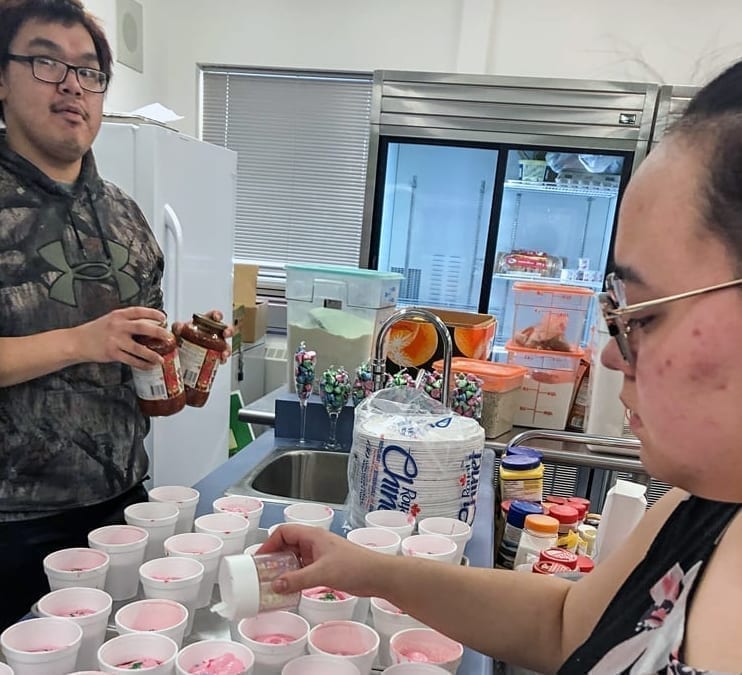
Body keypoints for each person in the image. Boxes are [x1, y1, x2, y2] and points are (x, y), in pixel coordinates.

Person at [261, 62, 742, 674]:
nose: (612, 353)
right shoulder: (703, 509)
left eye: (639, 313)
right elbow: (562, 623)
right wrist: (367, 569)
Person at [0, 0, 230, 629]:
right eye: (46, 63)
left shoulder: (125, 216)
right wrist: (83, 341)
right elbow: (91, 342)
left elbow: (140, 374)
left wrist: (176, 351)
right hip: (13, 525)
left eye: (90, 70)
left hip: (124, 506)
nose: (73, 84)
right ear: (2, 77)